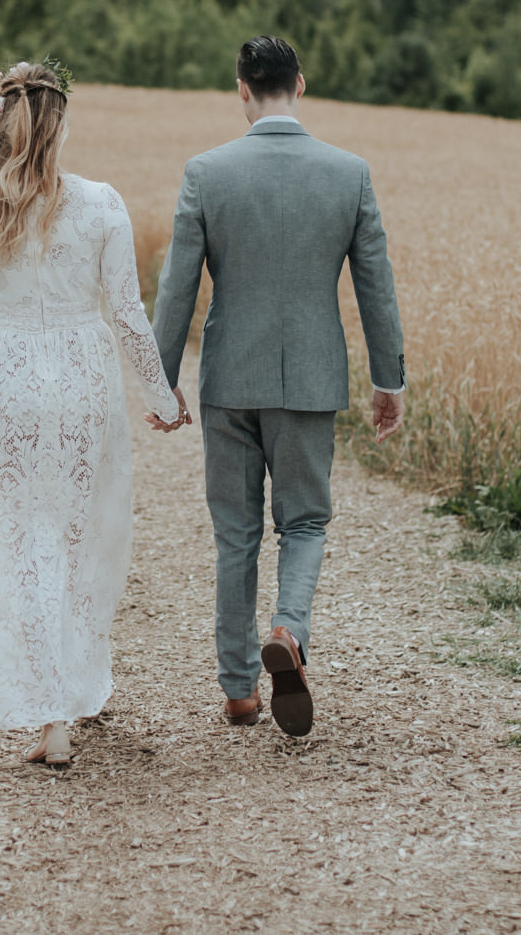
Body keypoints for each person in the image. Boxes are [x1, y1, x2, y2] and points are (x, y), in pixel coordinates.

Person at [0, 59, 185, 769]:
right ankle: (71, 687)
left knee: (22, 541)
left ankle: (50, 714)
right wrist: (164, 397)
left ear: (0, 121)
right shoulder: (102, 203)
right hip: (85, 377)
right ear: (60, 122)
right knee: (83, 535)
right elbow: (125, 313)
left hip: (15, 375)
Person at [150, 36, 405, 737]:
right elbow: (375, 285)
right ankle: (288, 633)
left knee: (235, 534)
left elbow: (177, 288)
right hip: (313, 379)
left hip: (229, 376)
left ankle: (238, 690)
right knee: (306, 522)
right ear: (301, 82)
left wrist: (160, 380)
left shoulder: (207, 172)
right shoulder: (348, 173)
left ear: (241, 88)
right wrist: (391, 379)